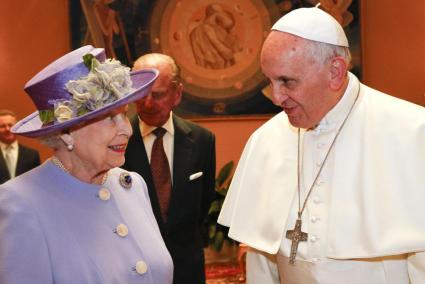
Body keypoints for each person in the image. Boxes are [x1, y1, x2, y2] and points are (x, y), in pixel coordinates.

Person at [218, 6, 425, 283]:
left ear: (335, 72)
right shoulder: (266, 140)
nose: (276, 98)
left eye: (287, 82)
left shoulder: (410, 132)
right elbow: (261, 257)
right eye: (269, 81)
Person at [0, 45, 173, 283]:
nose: (127, 129)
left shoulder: (132, 186)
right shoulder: (20, 202)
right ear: (66, 132)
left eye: (124, 114)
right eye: (109, 118)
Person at [122, 53, 216, 284]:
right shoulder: (117, 142)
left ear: (177, 94)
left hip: (187, 268)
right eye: (141, 94)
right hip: (132, 268)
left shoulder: (203, 140)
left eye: (158, 94)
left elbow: (203, 204)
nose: (147, 103)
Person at [0, 109, 40, 184]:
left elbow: (36, 183)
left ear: (16, 127)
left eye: (10, 125)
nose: (7, 129)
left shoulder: (32, 155)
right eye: (2, 126)